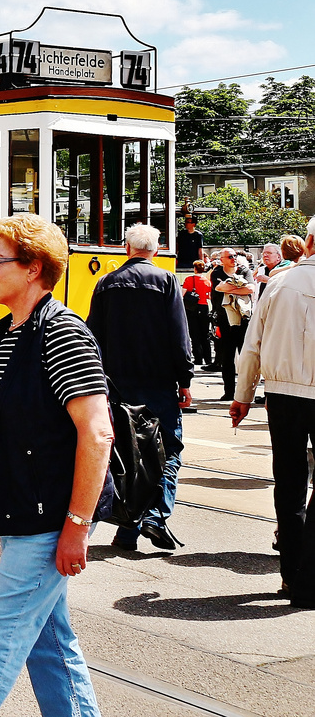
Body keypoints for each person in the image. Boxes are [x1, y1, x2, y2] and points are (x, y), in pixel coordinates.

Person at [0, 213, 114, 717]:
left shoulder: (62, 334)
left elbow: (97, 432)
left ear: (34, 268)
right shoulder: (7, 333)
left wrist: (77, 526)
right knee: (48, 642)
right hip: (20, 510)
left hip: (49, 514)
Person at [86, 223, 192, 552]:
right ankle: (155, 517)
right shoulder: (166, 281)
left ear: (126, 249)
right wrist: (185, 380)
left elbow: (93, 337)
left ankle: (127, 532)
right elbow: (179, 334)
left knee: (130, 458)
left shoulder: (105, 284)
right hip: (158, 384)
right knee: (169, 451)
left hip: (118, 387)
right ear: (156, 251)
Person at [232, 219, 315, 608]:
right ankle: (309, 573)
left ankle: (291, 572)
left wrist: (243, 394)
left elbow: (253, 344)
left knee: (290, 478)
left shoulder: (279, 283)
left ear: (309, 242)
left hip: (282, 395)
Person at [214, 248, 255, 402]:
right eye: (230, 256)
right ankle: (229, 392)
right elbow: (218, 287)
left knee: (245, 357)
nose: (233, 258)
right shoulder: (217, 273)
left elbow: (251, 288)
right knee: (227, 357)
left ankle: (245, 393)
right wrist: (239, 290)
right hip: (225, 320)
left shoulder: (244, 271)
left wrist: (230, 289)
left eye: (235, 255)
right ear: (222, 259)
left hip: (243, 319)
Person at [180, 260, 213, 390]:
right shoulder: (207, 281)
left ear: (194, 268)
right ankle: (208, 358)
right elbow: (210, 295)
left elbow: (183, 294)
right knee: (205, 333)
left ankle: (198, 358)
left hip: (192, 308)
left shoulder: (189, 279)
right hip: (204, 308)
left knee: (194, 333)